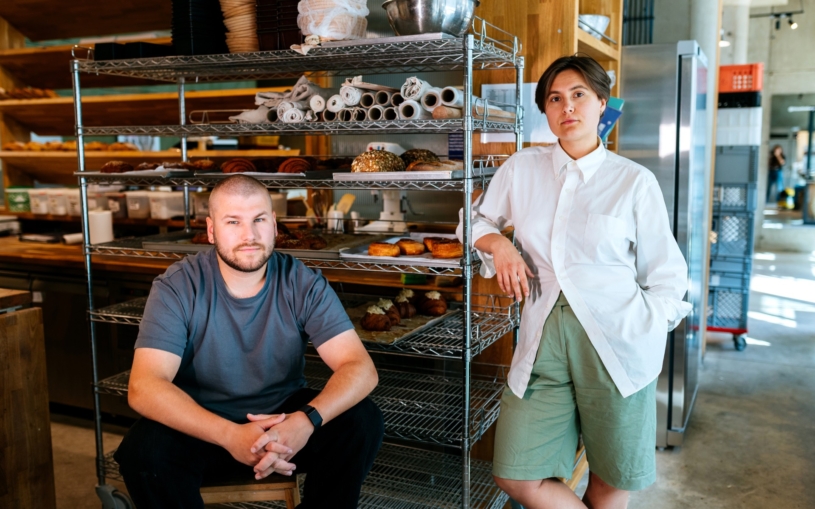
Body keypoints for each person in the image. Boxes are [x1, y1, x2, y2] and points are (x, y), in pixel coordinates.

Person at [457, 55, 691, 509]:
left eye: (579, 95)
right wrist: (498, 245)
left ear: (602, 104)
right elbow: (474, 220)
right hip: (543, 335)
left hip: (617, 340)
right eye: (555, 99)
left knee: (609, 478)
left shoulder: (633, 182)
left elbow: (667, 276)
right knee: (515, 474)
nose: (567, 108)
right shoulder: (522, 169)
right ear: (545, 110)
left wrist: (643, 326)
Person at [114, 175, 383, 509]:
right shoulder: (177, 286)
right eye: (233, 222)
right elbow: (145, 386)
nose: (249, 236)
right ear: (212, 230)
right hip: (203, 427)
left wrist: (304, 422)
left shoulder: (302, 282)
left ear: (273, 224)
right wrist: (231, 435)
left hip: (284, 425)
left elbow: (359, 368)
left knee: (361, 422)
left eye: (258, 220)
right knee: (144, 453)